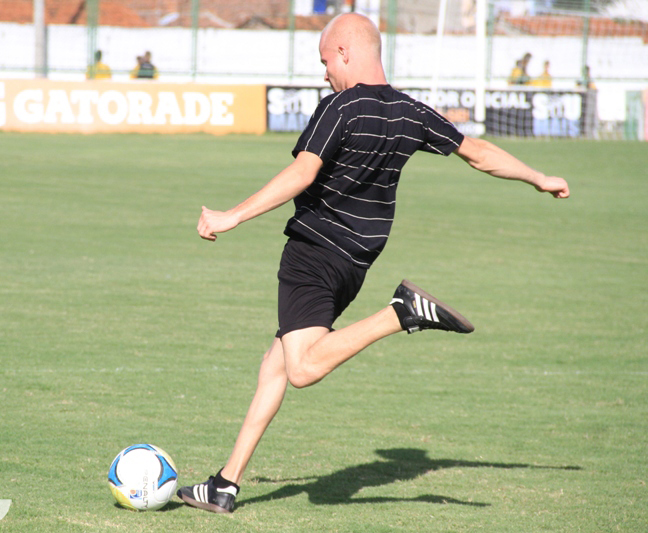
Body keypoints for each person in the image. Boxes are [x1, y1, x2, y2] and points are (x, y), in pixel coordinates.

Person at [177, 13, 570, 514]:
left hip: (312, 255)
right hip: (353, 267)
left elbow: (302, 171)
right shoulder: (410, 111)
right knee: (274, 364)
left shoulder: (341, 106)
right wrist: (538, 177)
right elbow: (478, 153)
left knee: (299, 368)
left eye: (325, 60)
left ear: (345, 52)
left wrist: (232, 216)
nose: (323, 72)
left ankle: (400, 313)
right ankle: (225, 485)